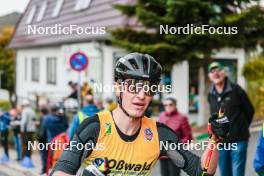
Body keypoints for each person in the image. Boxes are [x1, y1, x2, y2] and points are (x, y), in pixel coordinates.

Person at [51, 53, 230, 176]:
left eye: (149, 88)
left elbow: (203, 171)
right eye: (133, 86)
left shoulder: (160, 134)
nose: (142, 95)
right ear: (118, 87)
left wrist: (215, 139)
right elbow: (61, 170)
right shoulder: (94, 128)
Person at [207, 61, 255, 176]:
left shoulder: (237, 90)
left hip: (239, 140)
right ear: (209, 76)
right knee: (224, 173)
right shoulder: (210, 94)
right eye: (212, 71)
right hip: (221, 142)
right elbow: (213, 117)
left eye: (218, 70)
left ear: (224, 73)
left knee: (238, 173)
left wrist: (240, 127)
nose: (216, 73)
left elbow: (250, 110)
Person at [159, 97, 193, 176]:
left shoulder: (182, 118)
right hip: (163, 154)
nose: (168, 106)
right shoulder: (161, 116)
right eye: (165, 105)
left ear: (175, 105)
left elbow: (188, 137)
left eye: (170, 104)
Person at [20, 99, 37, 168]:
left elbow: (23, 121)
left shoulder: (25, 111)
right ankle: (29, 158)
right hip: (32, 130)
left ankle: (24, 159)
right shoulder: (32, 111)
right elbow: (34, 120)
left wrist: (21, 130)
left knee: (24, 145)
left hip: (26, 130)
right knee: (30, 145)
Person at [37, 107, 49, 174]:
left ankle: (44, 169)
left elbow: (42, 130)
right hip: (48, 139)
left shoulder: (43, 118)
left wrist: (39, 138)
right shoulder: (49, 117)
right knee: (47, 155)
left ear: (41, 112)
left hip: (43, 140)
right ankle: (46, 168)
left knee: (43, 155)